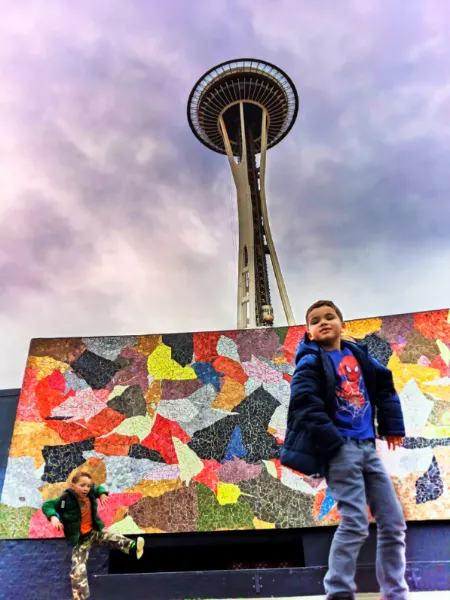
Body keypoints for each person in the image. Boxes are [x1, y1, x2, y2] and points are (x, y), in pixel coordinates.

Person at [281, 300, 408, 600]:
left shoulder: (357, 356)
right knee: (354, 522)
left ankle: (395, 593)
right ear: (309, 333)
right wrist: (334, 444)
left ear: (342, 324)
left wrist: (392, 426)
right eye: (315, 320)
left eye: (329, 317)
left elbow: (385, 385)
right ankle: (338, 592)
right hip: (342, 450)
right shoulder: (310, 361)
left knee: (393, 523)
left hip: (368, 448)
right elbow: (303, 405)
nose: (323, 322)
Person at [42, 471, 145, 600]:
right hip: (80, 538)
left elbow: (99, 488)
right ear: (73, 486)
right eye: (82, 485)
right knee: (78, 568)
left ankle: (134, 547)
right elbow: (48, 505)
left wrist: (102, 494)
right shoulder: (65, 499)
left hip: (94, 531)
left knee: (111, 535)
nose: (86, 488)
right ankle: (81, 597)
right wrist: (53, 517)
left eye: (88, 485)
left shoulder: (90, 493)